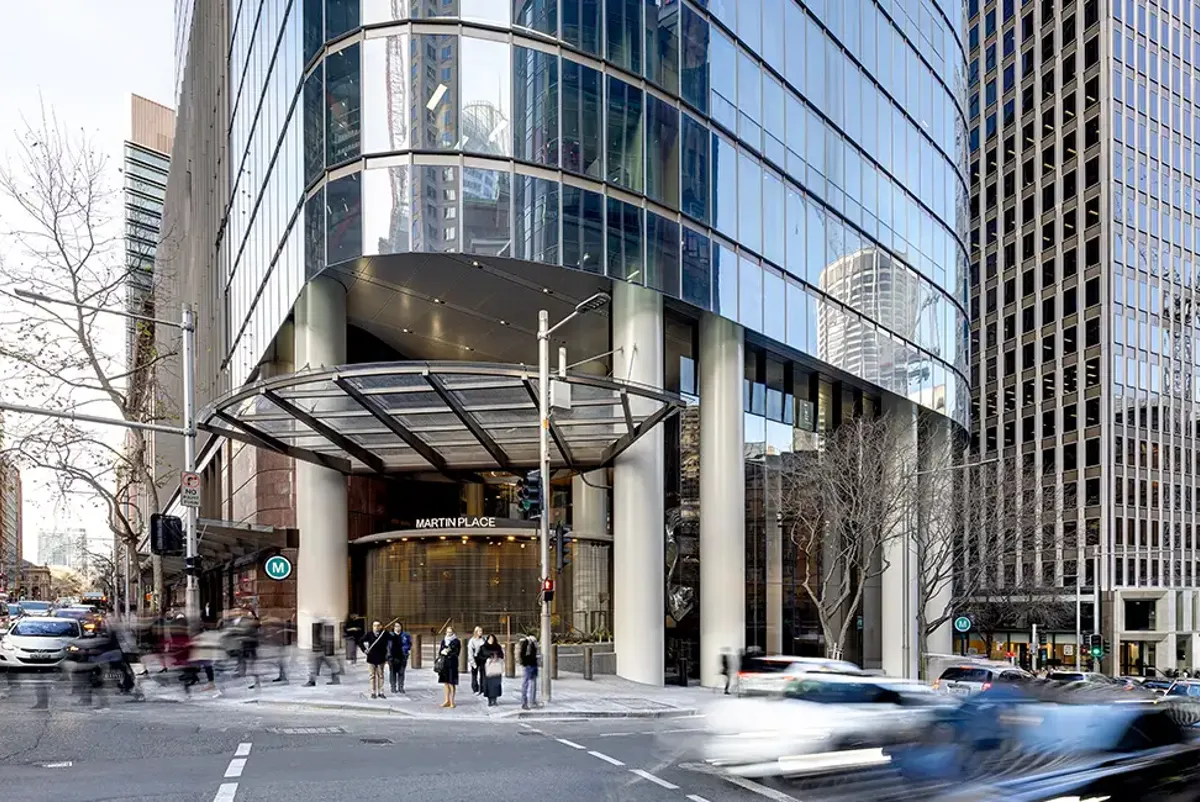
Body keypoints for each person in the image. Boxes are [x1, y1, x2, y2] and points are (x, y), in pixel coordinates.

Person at [359, 621, 389, 699]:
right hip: (371, 658)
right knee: (372, 676)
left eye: (377, 626)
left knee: (381, 675)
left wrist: (385, 630)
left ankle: (381, 692)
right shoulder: (369, 634)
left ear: (380, 626)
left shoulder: (384, 634)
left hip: (381, 658)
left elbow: (391, 638)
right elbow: (360, 641)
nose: (376, 627)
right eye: (374, 626)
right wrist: (364, 650)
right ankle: (373, 692)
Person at [436, 624, 461, 708]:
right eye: (447, 632)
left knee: (451, 683)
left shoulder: (456, 641)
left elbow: (457, 653)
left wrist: (448, 652)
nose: (449, 633)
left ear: (453, 632)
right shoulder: (444, 640)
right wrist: (442, 652)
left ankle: (452, 701)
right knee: (446, 683)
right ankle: (447, 700)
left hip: (452, 664)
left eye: (450, 632)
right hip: (444, 664)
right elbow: (440, 651)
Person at [477, 634, 504, 707]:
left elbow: (502, 655)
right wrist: (488, 657)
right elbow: (480, 656)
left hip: (496, 668)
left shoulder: (498, 647)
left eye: (492, 639)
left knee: (496, 684)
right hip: (487, 669)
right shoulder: (483, 647)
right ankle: (489, 700)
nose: (491, 640)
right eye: (490, 639)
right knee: (488, 685)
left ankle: (494, 700)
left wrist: (497, 657)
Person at [387, 622, 412, 693]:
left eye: (399, 626)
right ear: (393, 627)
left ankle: (401, 687)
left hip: (402, 656)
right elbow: (387, 646)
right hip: (392, 657)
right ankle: (393, 687)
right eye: (396, 626)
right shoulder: (390, 635)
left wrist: (405, 649)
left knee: (401, 672)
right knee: (392, 672)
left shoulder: (405, 635)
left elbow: (409, 644)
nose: (398, 628)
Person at [519, 634, 539, 710]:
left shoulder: (531, 643)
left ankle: (531, 701)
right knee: (527, 684)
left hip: (531, 665)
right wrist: (525, 663)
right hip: (529, 666)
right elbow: (524, 655)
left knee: (530, 684)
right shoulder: (527, 643)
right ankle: (526, 702)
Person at [466, 626, 485, 695]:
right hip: (475, 658)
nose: (481, 632)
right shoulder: (472, 641)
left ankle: (482, 689)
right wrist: (473, 663)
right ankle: (475, 689)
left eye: (481, 631)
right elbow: (470, 652)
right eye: (480, 631)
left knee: (483, 674)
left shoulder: (483, 639)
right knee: (474, 675)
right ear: (476, 632)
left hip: (482, 659)